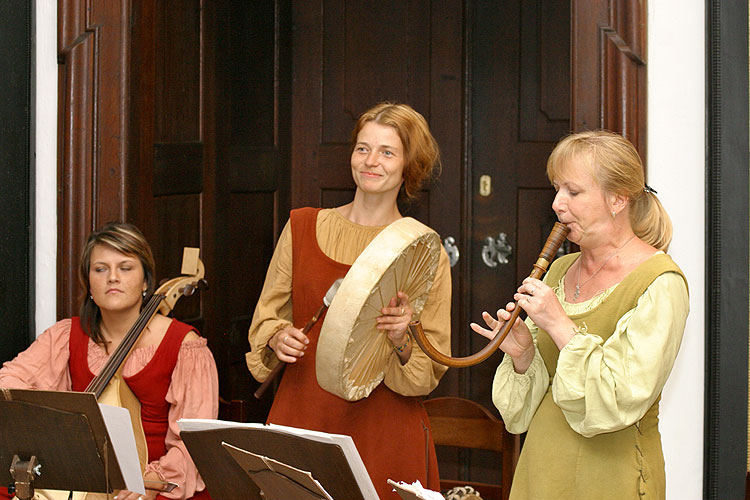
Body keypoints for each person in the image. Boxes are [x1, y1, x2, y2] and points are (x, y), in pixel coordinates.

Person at [246, 102, 452, 499]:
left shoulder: (425, 250)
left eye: (387, 152)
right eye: (363, 148)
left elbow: (431, 363)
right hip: (303, 417)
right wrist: (277, 338)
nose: (371, 161)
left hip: (384, 432)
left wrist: (401, 337)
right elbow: (266, 321)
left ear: (409, 165)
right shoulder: (302, 226)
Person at [471, 130, 689, 500]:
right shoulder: (559, 270)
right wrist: (523, 355)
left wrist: (558, 323)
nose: (557, 204)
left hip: (611, 479)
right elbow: (523, 414)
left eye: (573, 192)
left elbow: (620, 399)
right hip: (540, 468)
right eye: (557, 189)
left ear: (618, 199)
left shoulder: (660, 281)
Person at [0, 222, 218, 500]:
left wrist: (150, 483)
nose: (112, 277)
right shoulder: (66, 335)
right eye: (100, 269)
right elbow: (9, 384)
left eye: (125, 268)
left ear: (145, 282)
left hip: (152, 485)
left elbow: (193, 443)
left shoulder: (185, 346)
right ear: (89, 284)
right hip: (82, 478)